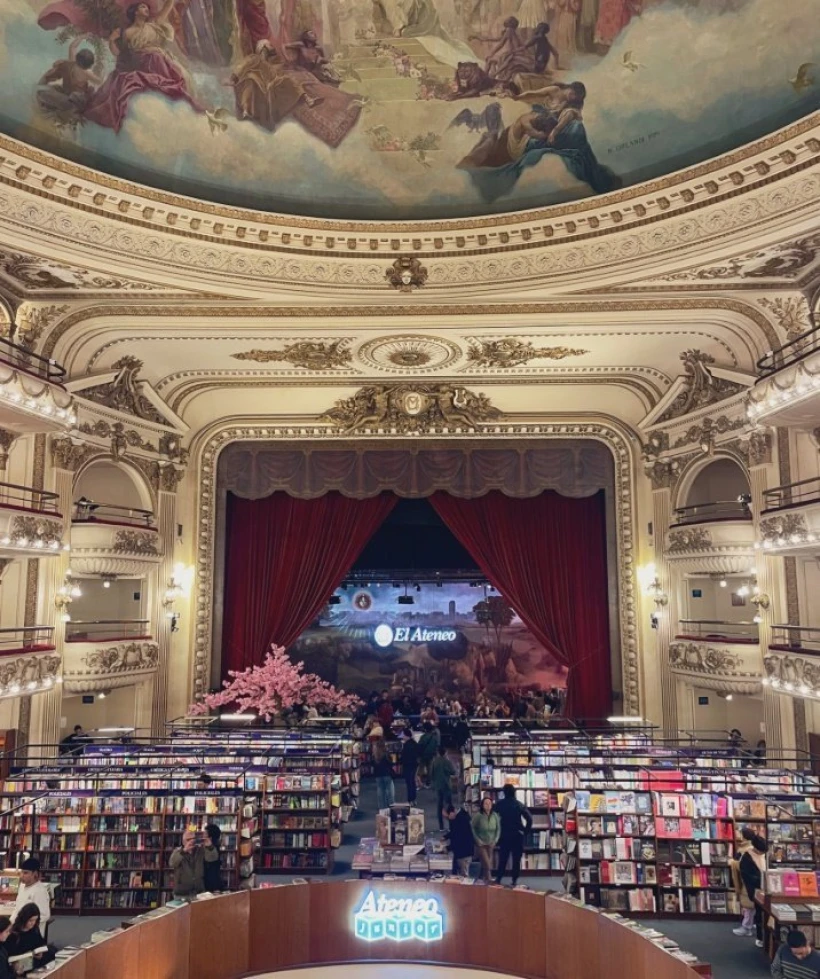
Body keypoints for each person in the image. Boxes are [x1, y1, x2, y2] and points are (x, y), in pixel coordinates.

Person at [85, 0, 202, 133]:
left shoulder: (154, 24)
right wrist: (112, 40)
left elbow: (168, 6)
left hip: (159, 62)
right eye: (142, 7)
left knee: (181, 79)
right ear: (135, 12)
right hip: (141, 63)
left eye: (147, 7)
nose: (146, 9)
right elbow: (120, 54)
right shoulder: (127, 32)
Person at [732, 827, 768, 944]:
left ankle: (759, 933)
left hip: (764, 887)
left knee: (760, 913)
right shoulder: (746, 858)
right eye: (761, 852)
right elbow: (747, 877)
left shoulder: (761, 854)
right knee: (753, 910)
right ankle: (758, 936)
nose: (762, 854)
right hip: (754, 889)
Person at [494, 784, 533, 886]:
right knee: (516, 859)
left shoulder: (499, 804)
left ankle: (498, 878)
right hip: (517, 835)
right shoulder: (519, 804)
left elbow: (493, 818)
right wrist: (525, 831)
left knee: (503, 858)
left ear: (504, 793)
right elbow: (529, 818)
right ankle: (514, 880)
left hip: (504, 835)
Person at [168, 830, 218, 899]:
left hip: (199, 892)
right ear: (183, 842)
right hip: (182, 894)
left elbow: (213, 858)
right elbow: (172, 863)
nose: (191, 841)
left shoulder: (200, 850)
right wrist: (184, 851)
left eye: (193, 839)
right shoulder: (178, 851)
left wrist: (210, 846)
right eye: (188, 839)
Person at [7, 903, 54, 967]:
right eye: (30, 920)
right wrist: (28, 954)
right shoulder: (14, 933)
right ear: (24, 918)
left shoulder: (34, 929)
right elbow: (12, 955)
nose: (33, 923)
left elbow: (41, 943)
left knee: (52, 951)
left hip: (35, 959)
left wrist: (41, 952)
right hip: (21, 963)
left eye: (35, 920)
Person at [471, 795, 501, 881]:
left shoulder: (495, 815)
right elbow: (472, 828)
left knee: (486, 863)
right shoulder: (478, 816)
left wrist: (495, 840)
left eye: (489, 803)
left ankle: (484, 880)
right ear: (482, 805)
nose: (488, 805)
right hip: (481, 844)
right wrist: (477, 839)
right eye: (485, 803)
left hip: (491, 843)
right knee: (488, 864)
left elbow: (498, 829)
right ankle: (490, 880)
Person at [14, 860, 50, 925]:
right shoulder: (22, 886)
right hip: (17, 926)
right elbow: (17, 909)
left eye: (25, 873)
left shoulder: (40, 891)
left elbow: (44, 916)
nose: (21, 876)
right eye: (21, 873)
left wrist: (25, 923)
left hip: (29, 929)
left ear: (35, 874)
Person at [429, 746, 456, 830]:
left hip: (438, 786)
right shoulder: (446, 761)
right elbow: (453, 772)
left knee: (439, 806)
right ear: (445, 753)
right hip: (446, 785)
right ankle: (451, 825)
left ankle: (441, 826)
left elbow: (431, 774)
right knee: (449, 806)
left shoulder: (434, 761)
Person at [444, 805, 474, 876]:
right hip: (462, 851)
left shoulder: (461, 819)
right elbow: (454, 832)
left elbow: (458, 838)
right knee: (459, 874)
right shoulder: (459, 817)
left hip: (464, 853)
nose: (447, 818)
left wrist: (448, 848)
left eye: (448, 816)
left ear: (452, 812)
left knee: (464, 875)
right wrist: (446, 837)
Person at [373, 738, 396, 811]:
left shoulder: (375, 755)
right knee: (390, 791)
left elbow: (373, 765)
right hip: (387, 774)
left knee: (380, 790)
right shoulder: (386, 754)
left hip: (378, 775)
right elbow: (390, 764)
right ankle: (391, 806)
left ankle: (382, 808)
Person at [417, 721, 440, 788]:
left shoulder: (423, 737)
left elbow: (420, 746)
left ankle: (419, 783)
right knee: (429, 769)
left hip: (423, 755)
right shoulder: (434, 737)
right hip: (431, 755)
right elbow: (436, 746)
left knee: (420, 769)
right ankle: (428, 783)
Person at [400, 731, 420, 804]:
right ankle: (414, 799)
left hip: (407, 765)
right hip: (414, 765)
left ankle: (410, 799)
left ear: (407, 736)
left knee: (409, 783)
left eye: (404, 735)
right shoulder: (414, 743)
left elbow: (403, 756)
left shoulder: (406, 745)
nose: (403, 737)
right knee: (413, 782)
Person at [202, 824, 222, 892]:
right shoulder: (214, 846)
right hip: (208, 880)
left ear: (210, 837)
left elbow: (209, 859)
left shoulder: (213, 848)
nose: (203, 835)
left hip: (211, 882)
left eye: (205, 834)